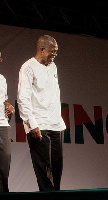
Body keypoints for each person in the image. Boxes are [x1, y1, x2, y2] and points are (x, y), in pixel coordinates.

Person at [17, 35, 66, 191]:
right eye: (52, 52)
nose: (54, 56)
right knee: (44, 170)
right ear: (42, 49)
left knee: (57, 167)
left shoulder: (53, 67)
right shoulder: (28, 67)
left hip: (55, 124)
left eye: (56, 53)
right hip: (39, 124)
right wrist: (32, 124)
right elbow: (23, 98)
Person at [0, 52, 15, 192]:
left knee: (4, 166)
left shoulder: (2, 79)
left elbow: (3, 99)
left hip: (3, 126)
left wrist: (8, 105)